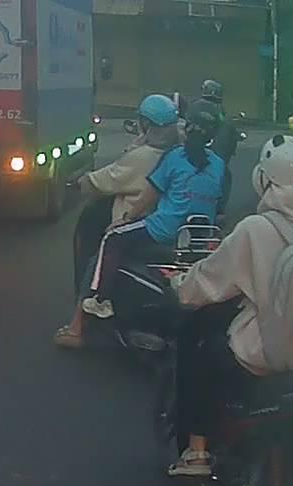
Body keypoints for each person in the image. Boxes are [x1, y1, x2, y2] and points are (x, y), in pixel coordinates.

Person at [167, 134, 293, 476]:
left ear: (265, 180)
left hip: (265, 350)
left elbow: (210, 280)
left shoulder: (254, 229)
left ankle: (197, 452)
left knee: (201, 352)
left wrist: (179, 284)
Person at [54, 100, 225, 347]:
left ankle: (84, 319)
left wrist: (126, 218)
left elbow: (146, 193)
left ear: (146, 124)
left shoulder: (166, 156)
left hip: (162, 230)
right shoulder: (218, 164)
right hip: (198, 236)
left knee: (108, 243)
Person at [75, 94, 181, 252]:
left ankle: (93, 268)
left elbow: (102, 181)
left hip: (135, 224)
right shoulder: (182, 154)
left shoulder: (142, 156)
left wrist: (80, 182)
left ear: (145, 124)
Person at [199, 79, 240, 218]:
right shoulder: (223, 114)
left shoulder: (195, 107)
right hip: (217, 156)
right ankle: (220, 209)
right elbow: (232, 134)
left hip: (192, 154)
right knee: (225, 176)